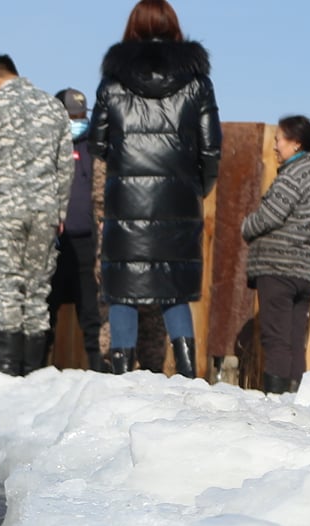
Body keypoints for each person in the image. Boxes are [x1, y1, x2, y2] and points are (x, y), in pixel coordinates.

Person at [90, 0, 220, 377]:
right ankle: (186, 372)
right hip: (179, 201)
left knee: (123, 288)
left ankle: (120, 373)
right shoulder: (197, 83)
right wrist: (198, 190)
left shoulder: (112, 83)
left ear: (133, 27)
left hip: (126, 203)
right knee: (174, 288)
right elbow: (212, 148)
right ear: (174, 26)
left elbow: (97, 144)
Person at [0, 54, 76, 377]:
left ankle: (8, 369)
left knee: (7, 287)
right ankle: (34, 372)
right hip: (44, 213)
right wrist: (60, 209)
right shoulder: (53, 107)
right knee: (36, 292)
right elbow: (66, 165)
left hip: (6, 212)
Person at [241, 115, 310, 393]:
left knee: (277, 340)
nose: (275, 146)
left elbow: (270, 215)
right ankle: (294, 403)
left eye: (278, 139)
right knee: (294, 342)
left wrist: (247, 226)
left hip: (279, 269)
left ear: (295, 143)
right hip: (302, 272)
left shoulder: (295, 175)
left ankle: (277, 403)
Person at [45, 88, 103, 371]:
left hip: (87, 244)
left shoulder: (95, 147)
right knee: (45, 314)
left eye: (81, 115)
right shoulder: (45, 147)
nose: (77, 120)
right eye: (72, 116)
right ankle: (33, 378)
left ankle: (100, 374)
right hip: (53, 243)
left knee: (92, 316)